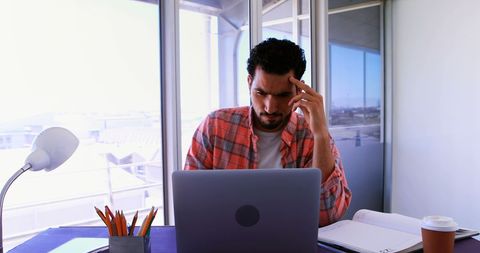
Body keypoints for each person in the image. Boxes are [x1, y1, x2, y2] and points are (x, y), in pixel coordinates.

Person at [184, 38, 351, 226]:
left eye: (282, 95)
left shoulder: (311, 135)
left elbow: (328, 216)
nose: (270, 107)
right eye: (261, 93)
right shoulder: (215, 126)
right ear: (249, 83)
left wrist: (320, 135)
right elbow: (190, 203)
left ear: (298, 89)